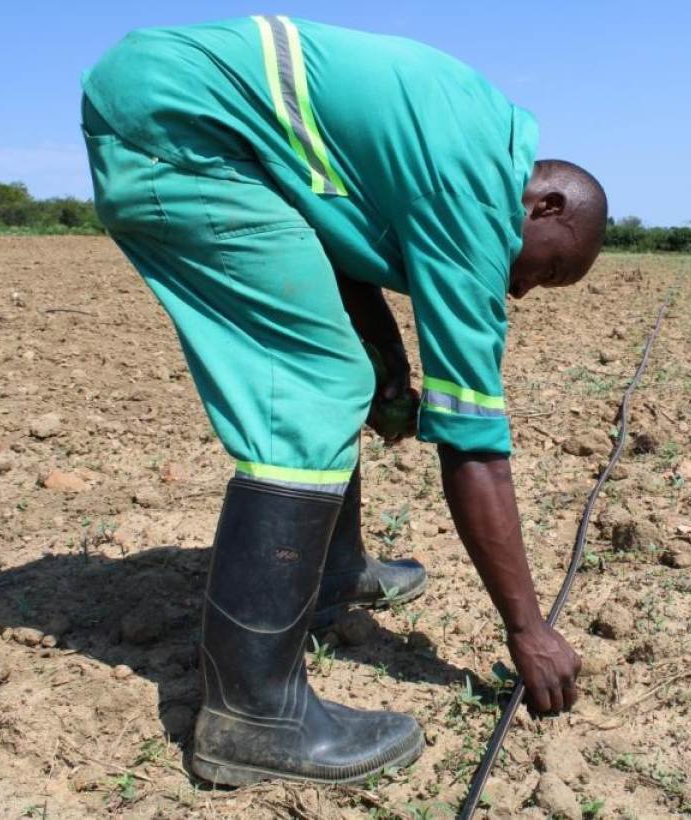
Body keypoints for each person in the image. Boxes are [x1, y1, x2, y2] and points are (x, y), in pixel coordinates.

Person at [81, 15, 608, 787]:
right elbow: (474, 446)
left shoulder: (468, 131)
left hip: (182, 102)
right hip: (183, 132)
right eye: (548, 271)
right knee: (314, 382)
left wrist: (385, 352)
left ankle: (336, 570)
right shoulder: (473, 200)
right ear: (547, 207)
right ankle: (252, 715)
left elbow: (328, 216)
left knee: (342, 366)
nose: (523, 288)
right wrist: (527, 629)